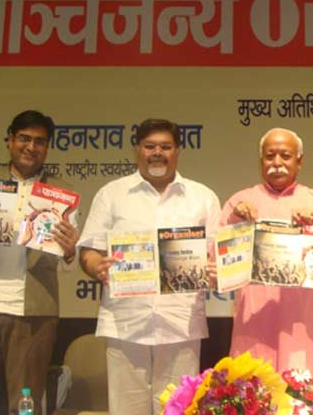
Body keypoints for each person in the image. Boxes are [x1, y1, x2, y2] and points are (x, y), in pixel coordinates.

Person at [78, 119, 220, 415]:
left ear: (177, 151)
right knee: (125, 410)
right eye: (150, 146)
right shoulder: (111, 194)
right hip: (125, 322)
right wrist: (97, 267)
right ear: (137, 149)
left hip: (181, 325)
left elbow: (217, 257)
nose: (157, 153)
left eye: (165, 147)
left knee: (178, 410)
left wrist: (215, 271)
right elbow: (88, 251)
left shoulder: (203, 198)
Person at [220, 127, 313, 389]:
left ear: (299, 162)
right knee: (252, 400)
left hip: (305, 330)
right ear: (260, 161)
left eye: (285, 156)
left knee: (307, 401)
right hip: (255, 327)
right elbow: (216, 254)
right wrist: (235, 221)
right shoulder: (240, 202)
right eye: (270, 156)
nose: (277, 163)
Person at [0, 110, 78, 414]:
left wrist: (69, 251)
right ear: (10, 140)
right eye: (24, 138)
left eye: (40, 141)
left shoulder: (61, 195)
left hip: (34, 314)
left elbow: (66, 264)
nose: (31, 147)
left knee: (25, 407)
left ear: (47, 147)